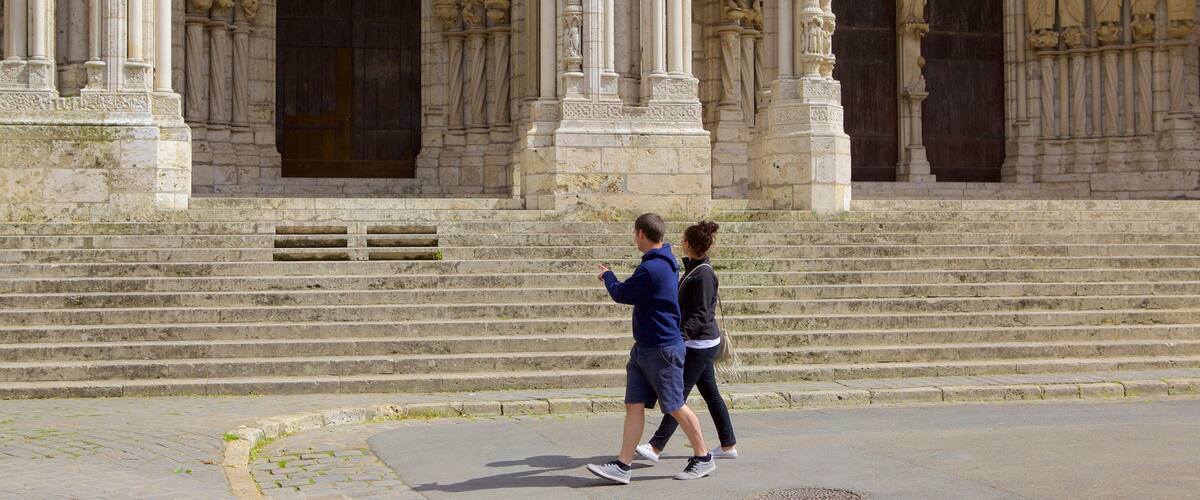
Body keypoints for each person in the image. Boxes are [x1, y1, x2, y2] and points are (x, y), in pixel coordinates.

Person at [585, 213, 717, 484]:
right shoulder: (664, 261)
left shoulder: (652, 268)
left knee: (675, 405)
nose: (634, 238)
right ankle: (623, 465)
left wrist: (607, 275)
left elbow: (622, 293)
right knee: (633, 405)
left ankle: (703, 457)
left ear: (641, 234)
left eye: (635, 234)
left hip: (661, 349)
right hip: (644, 347)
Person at [635, 221, 739, 464]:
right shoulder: (695, 268)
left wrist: (681, 337)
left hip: (698, 344)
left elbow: (702, 314)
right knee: (711, 395)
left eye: (683, 239)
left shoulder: (703, 274)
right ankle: (728, 444)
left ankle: (656, 446)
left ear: (690, 244)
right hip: (700, 343)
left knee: (676, 395)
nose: (680, 242)